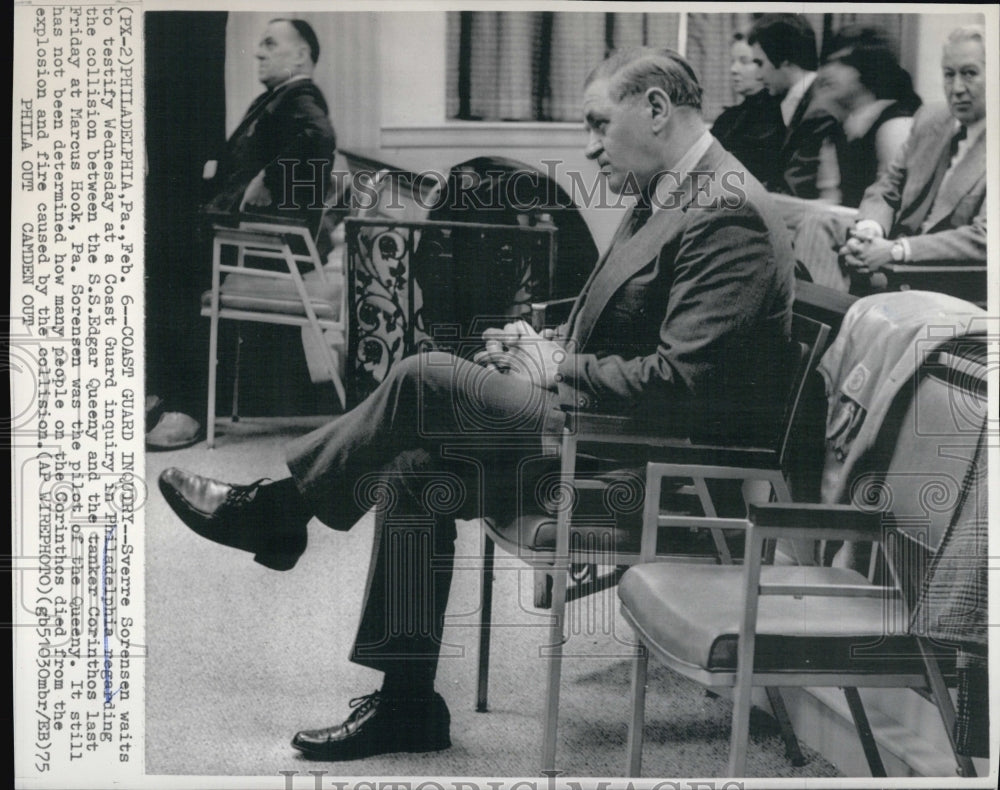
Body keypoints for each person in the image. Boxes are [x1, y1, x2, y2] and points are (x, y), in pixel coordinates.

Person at [157, 47, 796, 761]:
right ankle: (407, 704)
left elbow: (688, 388)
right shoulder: (675, 188)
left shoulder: (725, 208)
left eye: (596, 123)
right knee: (410, 468)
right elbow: (631, 324)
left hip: (655, 467)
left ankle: (279, 510)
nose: (588, 145)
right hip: (608, 430)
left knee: (426, 375)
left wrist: (557, 366)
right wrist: (542, 339)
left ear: (654, 108)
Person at [147, 18, 339, 450]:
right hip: (257, 237)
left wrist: (270, 176)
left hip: (272, 245)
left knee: (175, 274)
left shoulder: (301, 96)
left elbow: (320, 136)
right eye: (260, 45)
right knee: (165, 259)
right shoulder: (281, 97)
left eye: (271, 44)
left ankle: (190, 409)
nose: (259, 52)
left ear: (301, 55)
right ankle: (167, 393)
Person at [796, 25, 986, 292]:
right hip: (890, 253)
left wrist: (897, 250)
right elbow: (888, 187)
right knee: (818, 224)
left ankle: (825, 323)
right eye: (948, 74)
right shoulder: (931, 119)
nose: (956, 88)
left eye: (969, 74)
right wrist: (870, 230)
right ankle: (819, 323)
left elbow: (986, 238)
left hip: (941, 275)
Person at [814, 25, 921, 208]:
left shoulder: (893, 126)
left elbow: (895, 204)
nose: (828, 72)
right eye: (827, 62)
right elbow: (830, 202)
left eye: (843, 62)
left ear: (868, 66)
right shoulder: (838, 129)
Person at [749, 14, 840, 200]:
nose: (757, 76)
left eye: (760, 63)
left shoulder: (818, 110)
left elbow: (796, 186)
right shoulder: (802, 100)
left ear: (785, 59)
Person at [711, 31, 785, 187]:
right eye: (733, 61)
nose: (733, 69)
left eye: (744, 61)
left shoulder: (777, 114)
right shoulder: (729, 117)